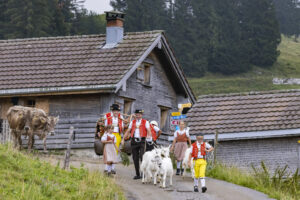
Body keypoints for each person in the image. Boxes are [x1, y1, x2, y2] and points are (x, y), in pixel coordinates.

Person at [121, 109, 152, 179]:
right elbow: (128, 131)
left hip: (142, 141)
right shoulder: (132, 122)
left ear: (141, 115)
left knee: (142, 157)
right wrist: (123, 139)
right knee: (135, 158)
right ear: (135, 115)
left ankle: (143, 173)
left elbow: (149, 131)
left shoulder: (145, 122)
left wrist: (149, 137)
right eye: (137, 114)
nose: (138, 115)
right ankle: (138, 174)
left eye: (139, 114)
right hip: (134, 141)